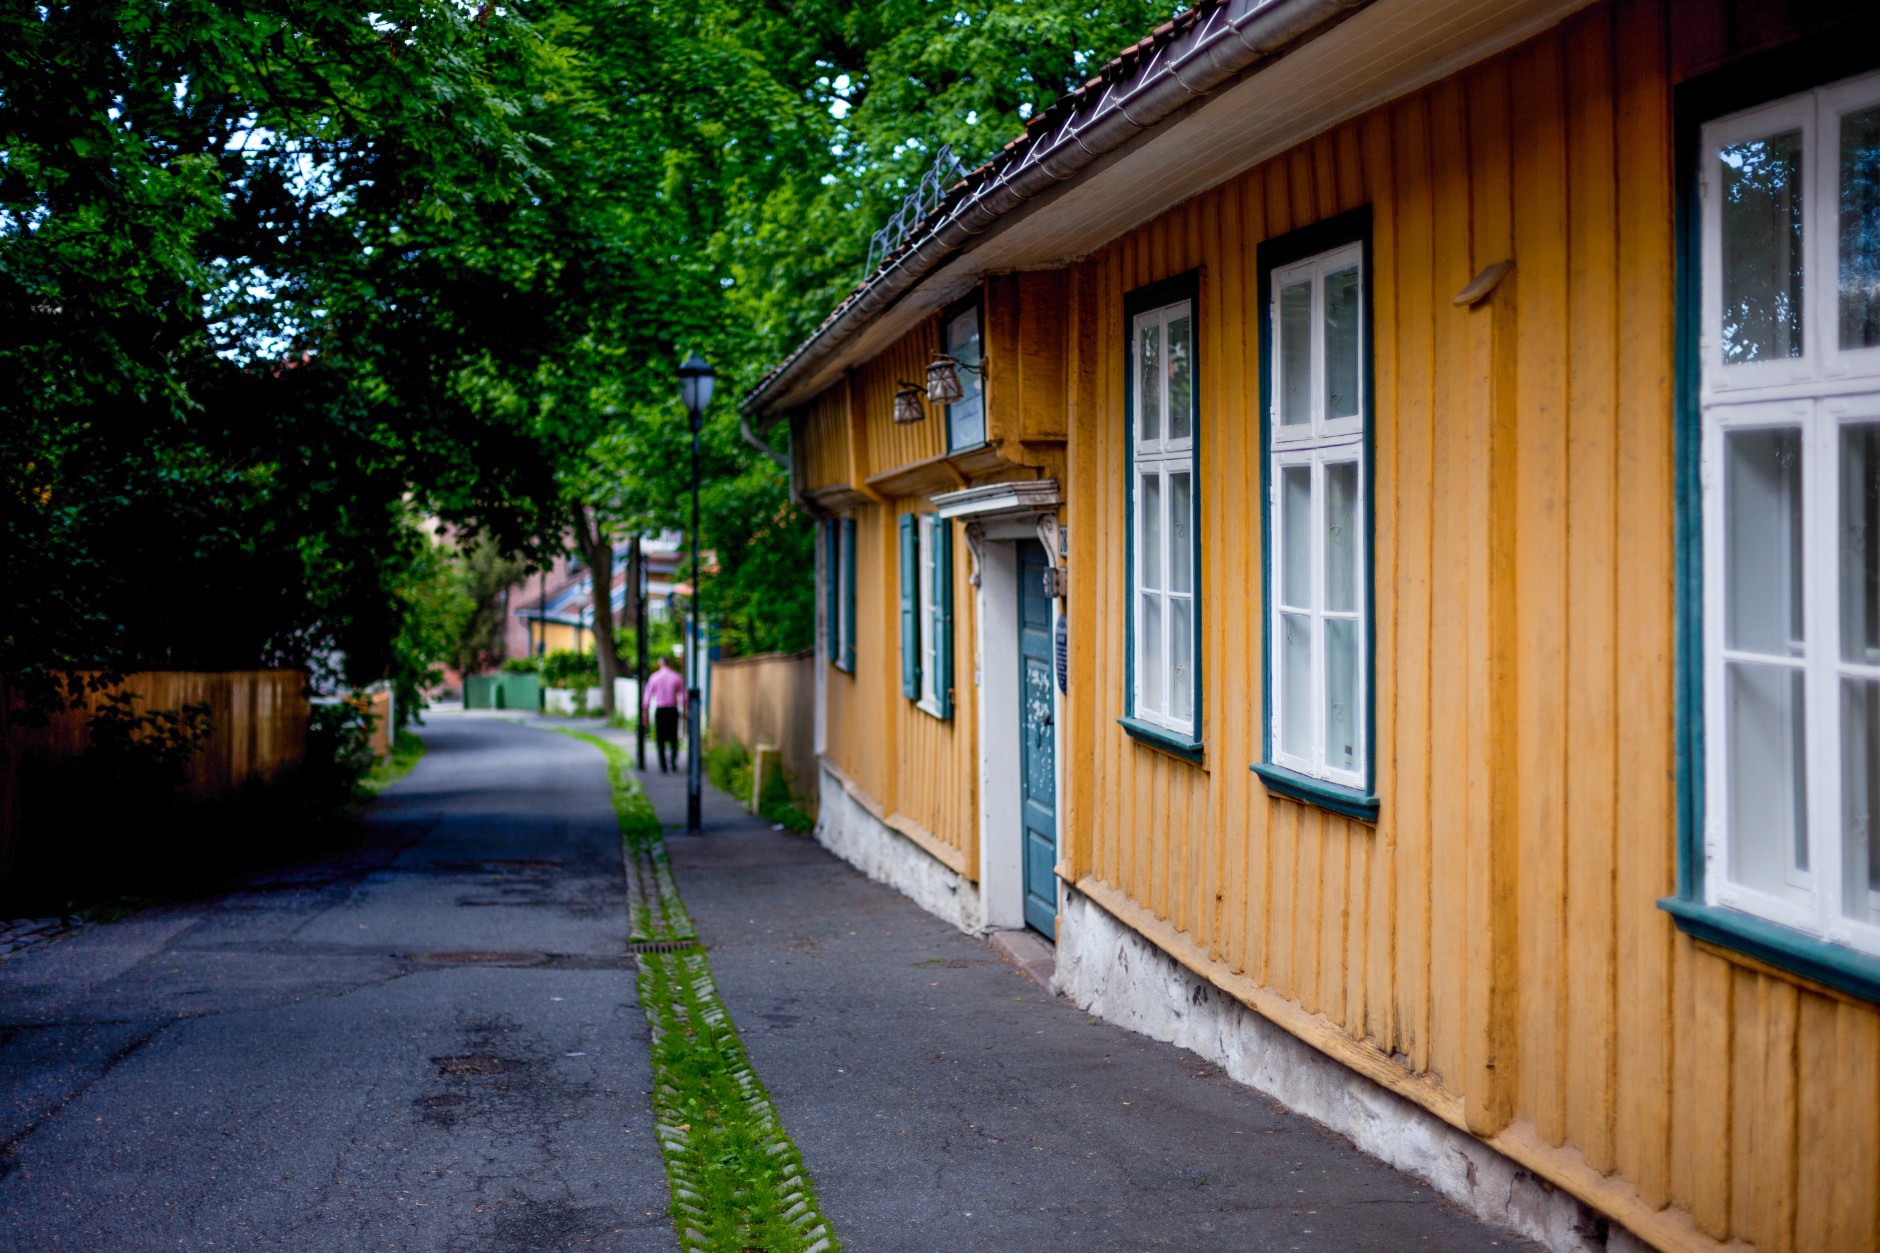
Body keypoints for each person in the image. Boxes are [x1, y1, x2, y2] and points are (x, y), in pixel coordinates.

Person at [642, 655, 686, 774]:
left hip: (660, 710)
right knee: (673, 738)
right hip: (672, 710)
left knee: (660, 738)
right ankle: (672, 761)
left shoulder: (654, 677)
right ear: (670, 663)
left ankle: (663, 766)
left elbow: (647, 697)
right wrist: (686, 711)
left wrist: (644, 713)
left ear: (660, 663)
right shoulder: (676, 677)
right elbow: (684, 696)